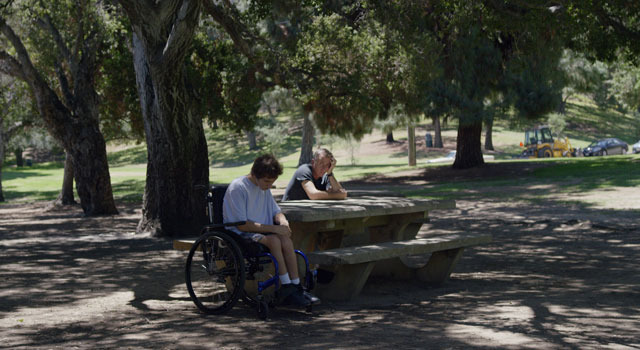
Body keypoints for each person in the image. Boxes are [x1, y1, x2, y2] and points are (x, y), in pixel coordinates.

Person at [222, 154, 317, 307]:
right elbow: (242, 225)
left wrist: (283, 222)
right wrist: (274, 228)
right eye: (267, 181)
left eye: (272, 182)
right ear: (254, 174)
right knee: (274, 239)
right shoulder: (238, 188)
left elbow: (276, 211)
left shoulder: (263, 188)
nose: (269, 185)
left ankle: (296, 285)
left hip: (261, 231)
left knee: (285, 239)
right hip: (240, 235)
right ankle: (285, 287)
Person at [282, 148, 347, 201]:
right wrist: (337, 195)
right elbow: (313, 195)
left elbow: (340, 191)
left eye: (327, 165)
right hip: (291, 211)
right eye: (321, 163)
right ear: (313, 162)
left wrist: (330, 173)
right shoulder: (304, 170)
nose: (323, 168)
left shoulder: (326, 175)